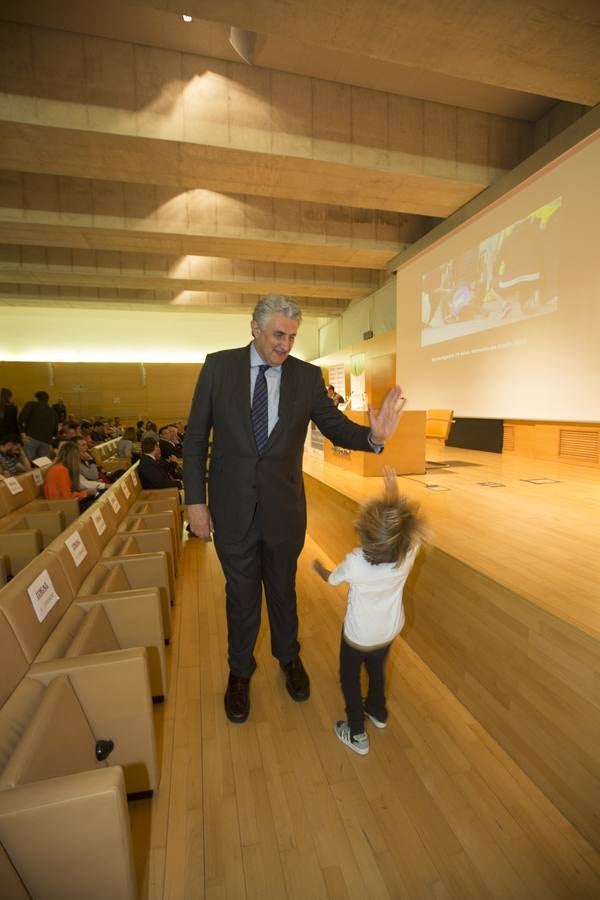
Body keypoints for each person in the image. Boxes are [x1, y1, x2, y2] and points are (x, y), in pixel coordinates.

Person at [183, 293, 407, 724]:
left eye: (292, 336)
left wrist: (373, 438)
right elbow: (195, 441)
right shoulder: (218, 367)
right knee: (241, 596)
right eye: (278, 335)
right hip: (232, 510)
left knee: (283, 593)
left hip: (284, 511)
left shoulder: (306, 376)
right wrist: (196, 503)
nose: (285, 345)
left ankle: (289, 659)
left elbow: (335, 426)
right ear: (255, 328)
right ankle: (240, 673)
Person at [312, 467, 427, 755]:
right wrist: (394, 494)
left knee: (348, 677)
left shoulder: (356, 562)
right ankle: (377, 711)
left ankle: (357, 733)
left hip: (358, 635)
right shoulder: (409, 551)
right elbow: (403, 528)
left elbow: (332, 580)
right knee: (376, 668)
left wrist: (319, 570)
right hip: (388, 631)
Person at [43, 441, 98, 512]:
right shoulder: (61, 470)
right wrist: (86, 493)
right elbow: (67, 498)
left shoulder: (60, 467)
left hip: (63, 504)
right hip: (62, 508)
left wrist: (85, 493)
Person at [18, 390, 59, 462]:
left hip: (31, 438)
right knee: (43, 465)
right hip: (46, 441)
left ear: (36, 398)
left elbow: (21, 419)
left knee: (28, 463)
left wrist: (22, 433)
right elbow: (55, 430)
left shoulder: (31, 404)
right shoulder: (53, 411)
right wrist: (50, 442)